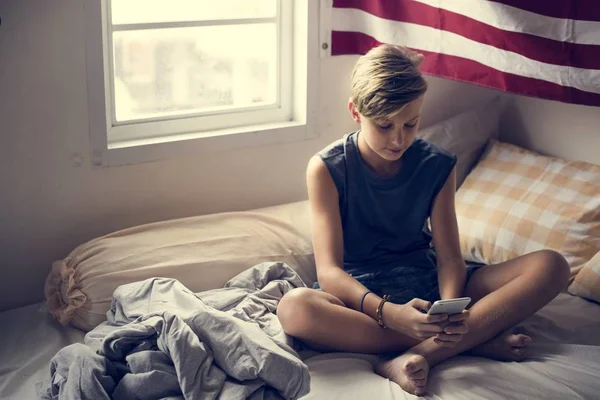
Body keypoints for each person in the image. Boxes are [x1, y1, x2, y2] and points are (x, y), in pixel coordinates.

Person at [276, 44, 570, 396]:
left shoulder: (437, 164)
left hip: (428, 283)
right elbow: (330, 272)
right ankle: (472, 340)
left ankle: (422, 352)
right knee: (295, 308)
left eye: (410, 124)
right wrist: (389, 312)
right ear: (356, 112)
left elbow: (449, 257)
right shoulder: (327, 168)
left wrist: (449, 310)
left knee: (551, 265)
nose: (398, 139)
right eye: (384, 126)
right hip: (365, 299)